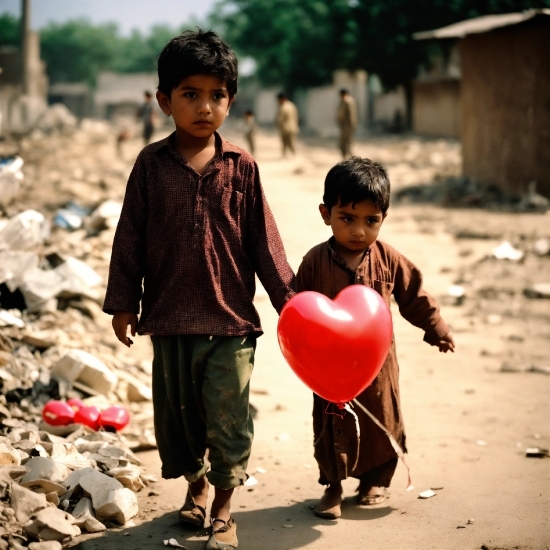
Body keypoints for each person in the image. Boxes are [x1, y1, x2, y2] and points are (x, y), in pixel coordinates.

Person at [103, 29, 295, 550]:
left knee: (229, 417)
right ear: (165, 101)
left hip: (230, 320)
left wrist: (291, 302)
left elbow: (265, 241)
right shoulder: (149, 165)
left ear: (230, 101)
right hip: (167, 319)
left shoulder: (242, 166)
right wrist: (123, 301)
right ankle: (195, 487)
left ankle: (226, 509)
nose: (204, 107)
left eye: (217, 95)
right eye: (190, 94)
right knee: (181, 421)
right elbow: (131, 236)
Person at [296, 157, 455, 519]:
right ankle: (333, 486)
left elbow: (414, 296)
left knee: (382, 417)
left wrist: (437, 328)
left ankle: (374, 482)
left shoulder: (388, 259)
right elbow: (297, 306)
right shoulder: (315, 261)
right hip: (330, 369)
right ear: (326, 213)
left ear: (384, 218)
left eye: (371, 221)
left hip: (378, 366)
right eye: (347, 219)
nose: (358, 231)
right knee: (330, 420)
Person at [336, 88, 358, 159]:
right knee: (343, 143)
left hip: (348, 126)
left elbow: (352, 115)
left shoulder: (348, 101)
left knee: (348, 143)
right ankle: (344, 158)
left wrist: (352, 125)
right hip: (344, 126)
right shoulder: (343, 101)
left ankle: (352, 159)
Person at [276, 92, 299, 157]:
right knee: (292, 142)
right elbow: (296, 117)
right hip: (292, 127)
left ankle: (287, 155)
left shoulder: (283, 107)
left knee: (285, 143)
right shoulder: (292, 106)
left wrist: (277, 123)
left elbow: (280, 119)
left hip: (285, 128)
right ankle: (293, 155)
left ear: (282, 99)